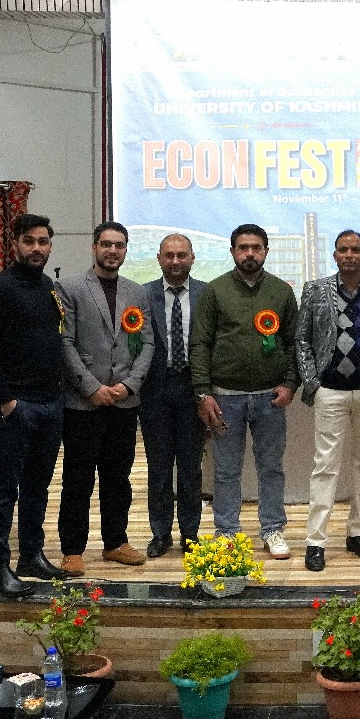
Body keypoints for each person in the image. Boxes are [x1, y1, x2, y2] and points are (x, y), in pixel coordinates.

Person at [189, 223, 299, 558]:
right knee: (226, 470)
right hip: (225, 398)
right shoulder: (215, 291)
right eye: (243, 248)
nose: (249, 253)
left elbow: (293, 343)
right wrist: (203, 392)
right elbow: (200, 343)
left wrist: (290, 383)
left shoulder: (281, 291)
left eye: (256, 248)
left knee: (271, 468)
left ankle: (273, 529)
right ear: (233, 251)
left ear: (265, 251)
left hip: (270, 398)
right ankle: (227, 533)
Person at [0, 213, 68, 597]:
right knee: (3, 489)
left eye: (43, 241)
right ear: (15, 244)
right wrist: (6, 399)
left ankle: (31, 555)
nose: (36, 248)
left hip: (50, 404)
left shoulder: (48, 287)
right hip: (16, 407)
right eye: (29, 241)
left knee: (37, 487)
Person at [297, 230, 360, 572]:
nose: (350, 255)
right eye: (343, 250)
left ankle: (357, 533)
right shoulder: (315, 290)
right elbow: (302, 340)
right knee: (325, 466)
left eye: (356, 250)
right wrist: (313, 383)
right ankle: (316, 541)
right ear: (335, 255)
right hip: (330, 391)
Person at [57, 222, 154, 575]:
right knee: (78, 479)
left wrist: (130, 385)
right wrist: (91, 387)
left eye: (119, 245)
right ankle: (72, 550)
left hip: (124, 402)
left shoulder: (136, 291)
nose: (113, 251)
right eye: (106, 244)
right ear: (94, 247)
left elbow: (147, 343)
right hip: (83, 403)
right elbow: (64, 342)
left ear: (126, 250)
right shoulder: (69, 287)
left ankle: (115, 542)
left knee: (118, 477)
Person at [138, 233, 206, 558]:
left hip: (193, 390)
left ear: (192, 258)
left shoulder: (207, 294)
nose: (175, 261)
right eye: (169, 255)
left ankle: (190, 534)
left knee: (191, 468)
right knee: (159, 467)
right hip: (155, 391)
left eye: (181, 255)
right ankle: (160, 533)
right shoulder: (143, 294)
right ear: (159, 258)